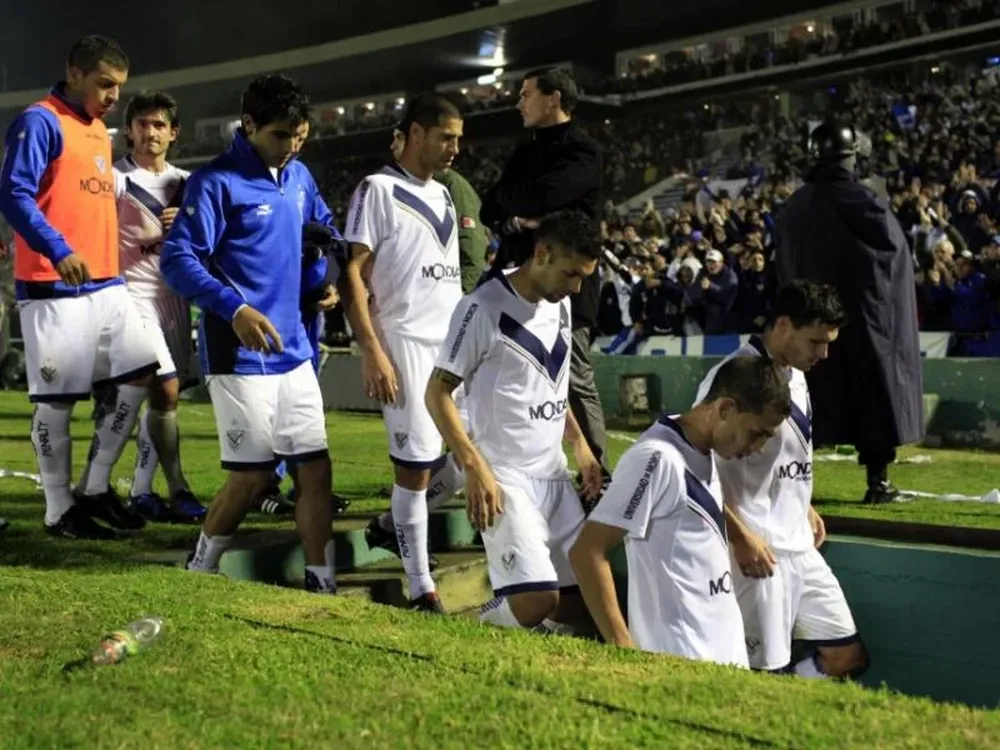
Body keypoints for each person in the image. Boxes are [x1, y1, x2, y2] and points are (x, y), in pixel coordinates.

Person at [160, 74, 339, 593]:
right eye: (282, 135)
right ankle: (202, 567)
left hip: (295, 350)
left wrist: (324, 282)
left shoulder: (299, 176)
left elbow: (325, 232)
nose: (292, 146)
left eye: (301, 135)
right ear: (250, 126)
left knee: (315, 471)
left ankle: (321, 578)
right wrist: (235, 309)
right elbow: (178, 258)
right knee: (253, 475)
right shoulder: (216, 182)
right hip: (237, 355)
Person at [0, 35, 159, 539]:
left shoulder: (97, 131)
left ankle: (94, 487)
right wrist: (58, 248)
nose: (113, 95)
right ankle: (57, 509)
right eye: (104, 84)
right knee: (57, 404)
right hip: (54, 285)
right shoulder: (40, 120)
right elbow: (13, 193)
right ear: (75, 73)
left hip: (106, 284)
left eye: (118, 87)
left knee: (139, 375)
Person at [425, 210, 604, 632]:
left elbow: (552, 386)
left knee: (583, 611)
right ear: (541, 253)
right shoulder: (481, 308)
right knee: (536, 599)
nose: (576, 287)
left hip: (554, 478)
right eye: (571, 275)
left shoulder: (559, 305)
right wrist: (474, 467)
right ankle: (472, 628)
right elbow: (437, 392)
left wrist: (580, 447)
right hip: (505, 477)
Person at [569, 357, 791, 665]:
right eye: (756, 433)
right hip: (680, 656)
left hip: (723, 655)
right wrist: (623, 648)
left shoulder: (701, 447)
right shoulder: (655, 458)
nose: (757, 448)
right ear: (725, 409)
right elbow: (586, 551)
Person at [697, 281, 868, 679]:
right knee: (762, 671)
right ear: (785, 325)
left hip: (800, 544)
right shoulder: (731, 375)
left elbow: (787, 452)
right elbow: (698, 466)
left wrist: (801, 499)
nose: (823, 353)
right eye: (816, 341)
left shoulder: (796, 372)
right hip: (758, 551)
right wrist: (740, 537)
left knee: (847, 656)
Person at [341, 93, 464, 612]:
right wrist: (373, 351)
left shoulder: (445, 195)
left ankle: (393, 527)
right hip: (407, 344)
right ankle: (420, 586)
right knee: (414, 471)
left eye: (459, 138)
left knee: (463, 464)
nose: (455, 147)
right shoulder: (378, 189)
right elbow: (351, 274)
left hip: (453, 346)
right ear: (416, 133)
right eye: (447, 137)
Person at [775, 120, 923, 505]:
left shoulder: (794, 206)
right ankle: (878, 482)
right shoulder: (863, 199)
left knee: (808, 399)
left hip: (808, 327)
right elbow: (893, 259)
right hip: (864, 327)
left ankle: (791, 488)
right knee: (874, 396)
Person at [76, 91, 206, 524]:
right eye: (142, 124)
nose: (150, 132)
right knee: (163, 384)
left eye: (158, 125)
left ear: (173, 133)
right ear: (129, 130)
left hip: (175, 300)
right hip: (130, 297)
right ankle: (178, 487)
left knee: (163, 399)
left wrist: (185, 224)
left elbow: (206, 246)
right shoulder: (115, 180)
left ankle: (142, 490)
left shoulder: (189, 183)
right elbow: (90, 231)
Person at [481, 68, 610, 485]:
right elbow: (490, 206)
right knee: (492, 371)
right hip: (515, 281)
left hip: (565, 287)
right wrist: (524, 216)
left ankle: (597, 475)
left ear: (553, 99)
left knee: (572, 378)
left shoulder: (585, 151)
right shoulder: (524, 152)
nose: (519, 102)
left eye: (526, 94)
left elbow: (538, 197)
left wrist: (515, 211)